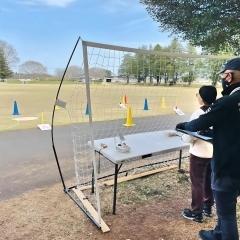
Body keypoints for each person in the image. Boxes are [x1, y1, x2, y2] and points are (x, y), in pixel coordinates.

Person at [176, 57, 240, 240]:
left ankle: (222, 232)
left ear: (229, 76)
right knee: (225, 206)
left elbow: (200, 123)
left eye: (224, 75)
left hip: (228, 166)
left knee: (227, 214)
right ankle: (218, 233)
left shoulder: (227, 101)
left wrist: (183, 126)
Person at [181, 86, 217, 223]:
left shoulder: (197, 114)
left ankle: (197, 212)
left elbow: (191, 135)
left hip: (198, 154)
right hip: (213, 152)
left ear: (201, 98)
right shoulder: (217, 111)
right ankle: (208, 206)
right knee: (209, 180)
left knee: (197, 183)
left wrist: (183, 137)